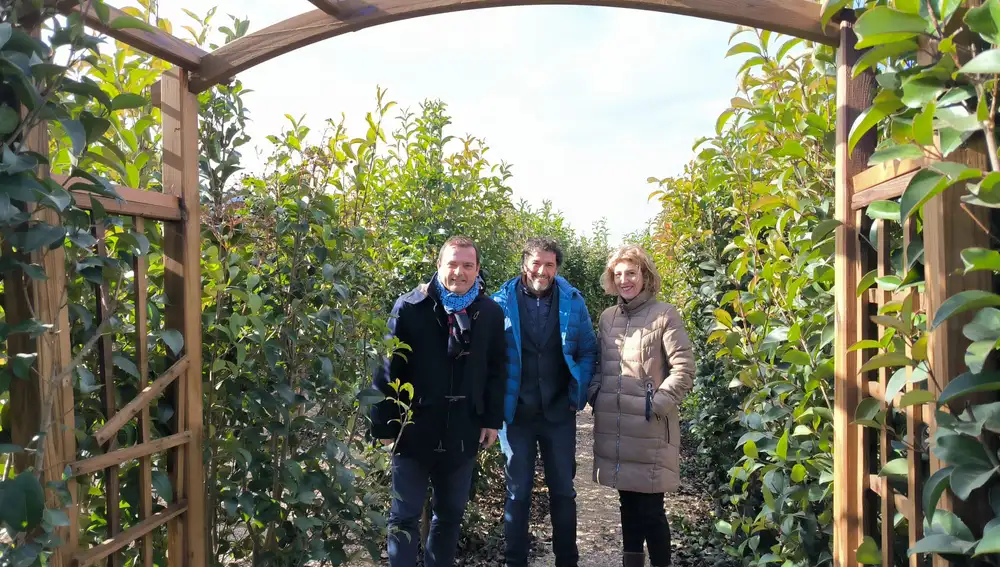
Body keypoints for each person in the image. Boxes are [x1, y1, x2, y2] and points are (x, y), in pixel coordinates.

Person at [369, 236, 507, 567]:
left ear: (477, 269)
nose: (459, 272)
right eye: (452, 264)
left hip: (463, 429)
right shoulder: (410, 307)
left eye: (468, 265)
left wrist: (491, 419)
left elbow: (497, 369)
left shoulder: (488, 312)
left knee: (448, 518)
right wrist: (384, 424)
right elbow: (387, 367)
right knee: (403, 517)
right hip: (413, 429)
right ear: (439, 266)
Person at [491, 237, 599, 567]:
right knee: (518, 491)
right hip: (517, 416)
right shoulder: (500, 302)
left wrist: (576, 395)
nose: (542, 270)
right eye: (536, 263)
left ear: (556, 267)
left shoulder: (573, 301)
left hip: (557, 413)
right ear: (524, 263)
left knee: (563, 491)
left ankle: (567, 560)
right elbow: (490, 357)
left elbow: (588, 350)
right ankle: (515, 561)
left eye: (549, 264)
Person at [589, 245, 695, 567]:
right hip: (617, 429)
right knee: (627, 506)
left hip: (649, 431)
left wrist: (657, 403)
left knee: (651, 511)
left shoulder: (665, 314)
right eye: (618, 274)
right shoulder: (608, 318)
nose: (624, 280)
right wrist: (595, 392)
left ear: (645, 275)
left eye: (631, 273)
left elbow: (684, 369)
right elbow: (600, 364)